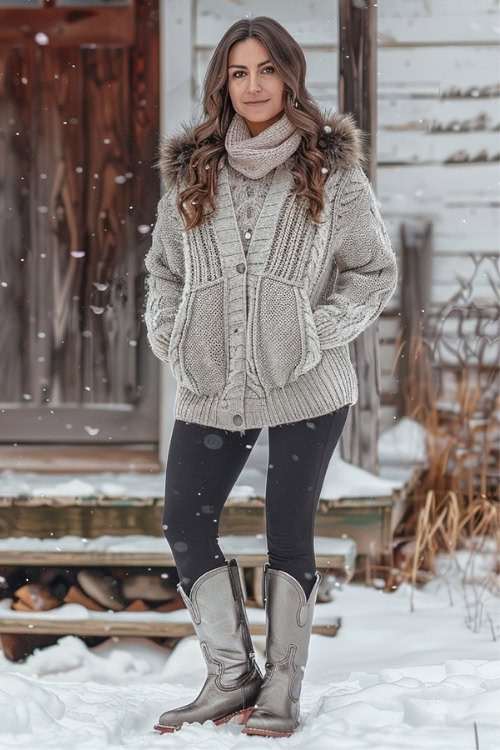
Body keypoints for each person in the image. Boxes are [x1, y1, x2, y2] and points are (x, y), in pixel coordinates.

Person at [144, 15, 398, 739]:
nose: (253, 85)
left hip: (305, 381)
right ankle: (231, 676)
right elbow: (163, 270)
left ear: (289, 77)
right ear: (224, 82)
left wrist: (316, 331)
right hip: (212, 377)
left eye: (266, 70)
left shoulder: (330, 171)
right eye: (238, 72)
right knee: (185, 520)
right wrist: (171, 331)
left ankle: (283, 684)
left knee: (289, 531)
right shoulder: (194, 169)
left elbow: (373, 272)